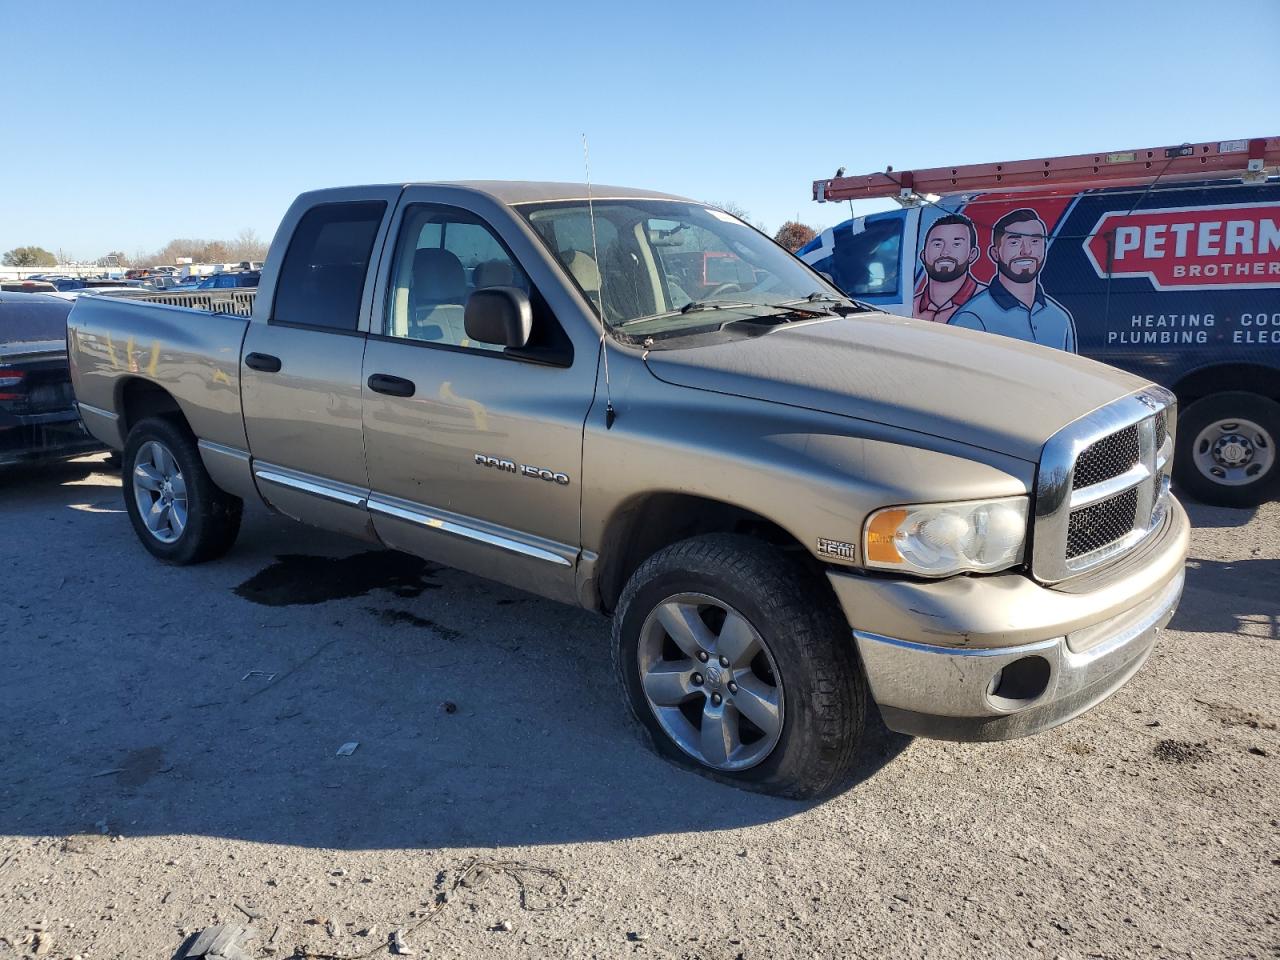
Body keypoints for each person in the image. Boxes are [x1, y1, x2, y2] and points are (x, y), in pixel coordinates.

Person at [949, 208, 1077, 352]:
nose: (1026, 250)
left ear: (1044, 249)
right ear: (995, 253)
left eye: (1035, 241)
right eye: (1015, 242)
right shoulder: (972, 317)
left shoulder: (1060, 318)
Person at [912, 213, 985, 323]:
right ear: (923, 255)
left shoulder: (987, 302)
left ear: (972, 254)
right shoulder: (911, 306)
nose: (945, 252)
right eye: (937, 244)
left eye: (956, 244)